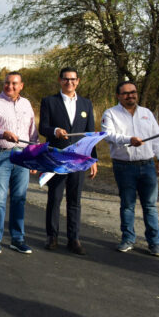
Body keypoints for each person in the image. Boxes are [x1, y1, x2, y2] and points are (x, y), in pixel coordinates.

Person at [101, 80, 159, 257]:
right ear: (118, 96)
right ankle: (128, 239)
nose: (131, 95)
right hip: (124, 167)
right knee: (128, 205)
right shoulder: (110, 113)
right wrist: (129, 139)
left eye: (133, 92)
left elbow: (157, 138)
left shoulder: (146, 113)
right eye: (126, 93)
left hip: (147, 166)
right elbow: (109, 135)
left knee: (150, 206)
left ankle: (155, 243)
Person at [38, 67, 97, 255]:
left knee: (75, 201)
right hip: (57, 158)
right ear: (59, 80)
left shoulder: (86, 104)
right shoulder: (49, 102)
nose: (69, 82)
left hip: (79, 160)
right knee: (54, 198)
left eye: (73, 79)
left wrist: (92, 159)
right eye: (65, 79)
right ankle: (52, 236)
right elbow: (43, 127)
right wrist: (55, 131)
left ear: (78, 81)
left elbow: (91, 134)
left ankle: (74, 238)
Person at [0, 71, 38, 255]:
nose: (10, 86)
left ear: (21, 86)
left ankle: (17, 239)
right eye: (7, 83)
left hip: (22, 155)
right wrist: (2, 133)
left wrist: (34, 157)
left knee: (19, 199)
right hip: (0, 154)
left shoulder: (27, 104)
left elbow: (32, 132)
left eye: (14, 83)